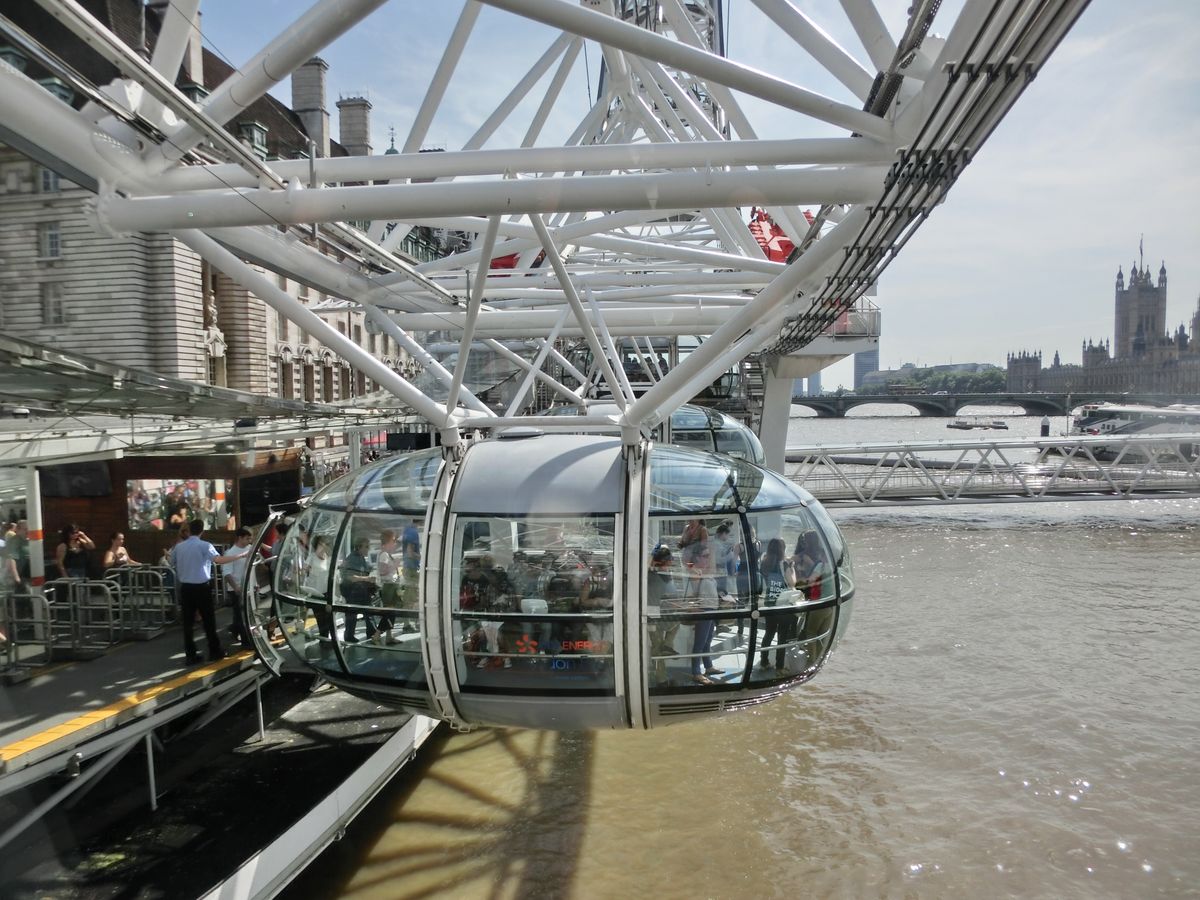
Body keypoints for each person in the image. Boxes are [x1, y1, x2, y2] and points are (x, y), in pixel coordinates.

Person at [171, 519, 244, 664]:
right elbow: (219, 560)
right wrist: (240, 556)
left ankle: (190, 655)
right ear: (202, 531)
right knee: (208, 620)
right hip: (201, 587)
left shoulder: (179, 547)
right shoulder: (205, 545)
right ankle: (214, 651)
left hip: (185, 587)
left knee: (188, 623)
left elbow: (172, 562)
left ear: (189, 530)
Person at [683, 542, 722, 684]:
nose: (708, 559)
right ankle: (696, 672)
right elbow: (693, 594)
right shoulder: (695, 573)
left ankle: (708, 666)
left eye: (708, 556)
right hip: (704, 610)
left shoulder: (704, 572)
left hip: (711, 609)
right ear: (697, 557)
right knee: (700, 642)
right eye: (705, 556)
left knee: (707, 640)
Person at [758, 537, 797, 671]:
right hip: (783, 604)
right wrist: (792, 568)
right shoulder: (785, 564)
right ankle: (779, 666)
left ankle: (764, 662)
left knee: (768, 633)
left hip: (770, 603)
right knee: (782, 636)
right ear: (782, 550)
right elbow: (792, 582)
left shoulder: (764, 563)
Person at [219, 528, 255, 648]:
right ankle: (246, 641)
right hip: (237, 588)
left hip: (248, 587)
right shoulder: (230, 553)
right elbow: (227, 573)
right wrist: (236, 587)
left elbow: (252, 568)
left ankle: (234, 629)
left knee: (244, 613)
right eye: (247, 538)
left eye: (250, 538)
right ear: (240, 538)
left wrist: (255, 584)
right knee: (241, 615)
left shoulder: (250, 549)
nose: (249, 541)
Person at [339, 536, 376, 644]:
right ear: (359, 547)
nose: (368, 549)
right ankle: (350, 636)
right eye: (366, 547)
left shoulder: (360, 558)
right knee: (353, 615)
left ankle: (371, 631)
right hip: (353, 591)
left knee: (367, 611)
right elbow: (350, 577)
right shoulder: (352, 559)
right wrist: (367, 579)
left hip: (361, 590)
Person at [301, 534, 334, 640]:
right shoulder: (312, 557)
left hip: (327, 592)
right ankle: (324, 640)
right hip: (316, 593)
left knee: (329, 618)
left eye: (325, 543)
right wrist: (306, 570)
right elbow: (304, 570)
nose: (324, 546)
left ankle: (327, 639)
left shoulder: (328, 557)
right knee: (321, 619)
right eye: (321, 543)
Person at [374, 529, 401, 644]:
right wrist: (394, 565)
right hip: (388, 586)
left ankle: (389, 636)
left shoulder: (386, 554)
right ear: (388, 541)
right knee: (389, 612)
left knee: (391, 613)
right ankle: (377, 635)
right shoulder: (384, 555)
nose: (395, 543)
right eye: (393, 540)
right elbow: (382, 571)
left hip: (391, 585)